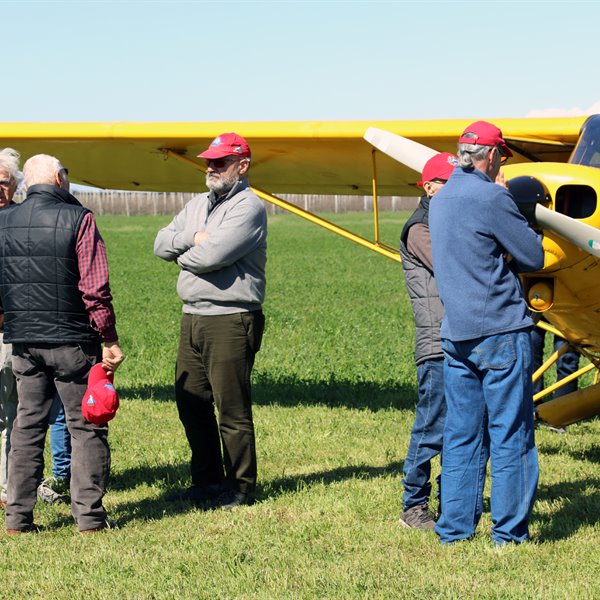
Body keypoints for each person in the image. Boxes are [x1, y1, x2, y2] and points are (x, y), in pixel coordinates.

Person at [429, 121, 545, 545]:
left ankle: (454, 529)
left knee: (461, 434)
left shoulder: (440, 200)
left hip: (455, 333)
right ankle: (509, 534)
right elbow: (531, 255)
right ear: (493, 156)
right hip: (500, 330)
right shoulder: (493, 196)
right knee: (511, 432)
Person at [0, 154, 125, 533]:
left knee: (27, 426)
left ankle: (18, 518)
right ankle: (88, 519)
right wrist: (109, 337)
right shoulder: (79, 218)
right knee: (85, 426)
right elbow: (94, 287)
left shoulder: (4, 221)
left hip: (23, 341)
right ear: (59, 178)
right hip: (73, 341)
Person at [154, 133, 267, 510]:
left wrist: (183, 253)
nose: (211, 168)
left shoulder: (249, 207)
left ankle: (240, 487)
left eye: (220, 162)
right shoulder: (198, 203)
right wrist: (192, 237)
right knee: (192, 403)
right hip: (193, 315)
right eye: (210, 161)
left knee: (231, 407)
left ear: (242, 166)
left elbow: (210, 257)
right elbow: (159, 243)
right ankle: (205, 480)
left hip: (230, 318)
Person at [398, 152, 457, 529]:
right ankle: (413, 505)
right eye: (449, 184)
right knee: (431, 426)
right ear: (430, 187)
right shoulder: (420, 228)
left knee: (462, 427)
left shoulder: (446, 221)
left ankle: (451, 501)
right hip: (436, 343)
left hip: (459, 339)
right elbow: (453, 264)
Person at [0, 148, 21, 510]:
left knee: (10, 409)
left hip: (9, 326)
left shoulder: (22, 219)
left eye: (3, 182)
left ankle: (7, 487)